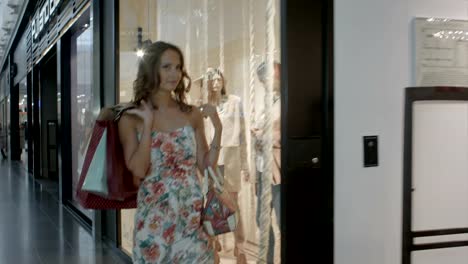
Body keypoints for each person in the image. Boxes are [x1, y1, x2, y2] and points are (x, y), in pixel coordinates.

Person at [118, 41, 222, 263]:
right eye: (166, 67)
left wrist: (218, 129)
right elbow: (138, 169)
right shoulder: (131, 118)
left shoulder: (191, 114)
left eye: (177, 67)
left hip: (191, 216)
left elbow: (205, 166)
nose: (174, 74)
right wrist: (147, 125)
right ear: (151, 69)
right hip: (155, 219)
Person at [201, 67, 249, 264]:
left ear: (223, 79)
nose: (215, 82)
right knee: (211, 204)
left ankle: (240, 248)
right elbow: (203, 135)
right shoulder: (206, 106)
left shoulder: (235, 102)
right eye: (211, 79)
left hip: (230, 157)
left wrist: (245, 164)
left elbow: (242, 134)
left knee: (233, 204)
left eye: (217, 77)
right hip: (213, 159)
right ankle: (213, 246)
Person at [253, 61, 281, 263]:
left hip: (278, 170)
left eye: (267, 78)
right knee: (261, 220)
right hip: (263, 169)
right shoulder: (266, 101)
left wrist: (264, 136)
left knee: (282, 220)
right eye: (262, 80)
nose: (265, 83)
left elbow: (286, 133)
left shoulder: (288, 100)